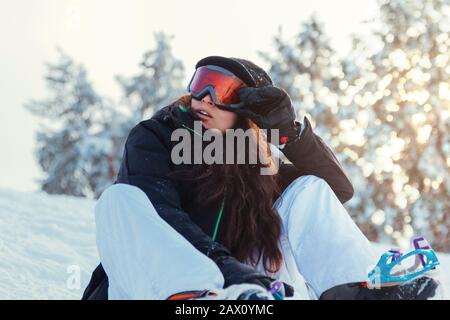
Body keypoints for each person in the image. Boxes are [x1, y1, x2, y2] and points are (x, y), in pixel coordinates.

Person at [82, 56, 439, 300]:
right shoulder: (157, 137)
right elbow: (162, 215)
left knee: (307, 189)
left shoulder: (254, 164)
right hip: (163, 288)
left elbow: (335, 190)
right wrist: (230, 272)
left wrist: (288, 132)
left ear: (244, 109)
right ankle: (197, 293)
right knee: (120, 200)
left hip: (246, 295)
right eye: (199, 83)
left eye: (220, 89)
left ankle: (359, 290)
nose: (202, 97)